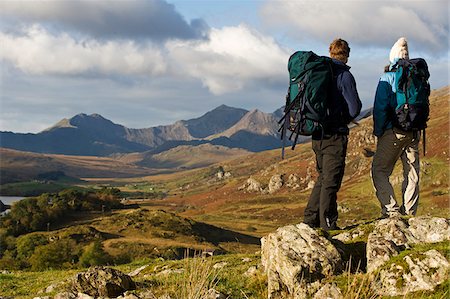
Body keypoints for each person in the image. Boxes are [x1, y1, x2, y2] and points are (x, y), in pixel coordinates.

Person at [303, 38, 362, 230]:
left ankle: (310, 219)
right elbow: (354, 108)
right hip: (335, 135)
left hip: (317, 133)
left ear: (330, 53)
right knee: (331, 180)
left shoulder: (320, 72)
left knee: (322, 177)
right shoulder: (344, 76)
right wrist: (344, 118)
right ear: (347, 54)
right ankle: (327, 222)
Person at [371, 37, 420, 218]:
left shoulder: (388, 77)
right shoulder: (417, 76)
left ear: (392, 57)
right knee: (412, 173)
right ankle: (410, 212)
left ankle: (391, 211)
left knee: (379, 170)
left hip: (394, 131)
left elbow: (381, 108)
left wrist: (378, 132)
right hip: (414, 132)